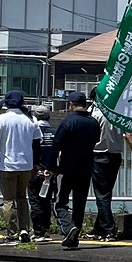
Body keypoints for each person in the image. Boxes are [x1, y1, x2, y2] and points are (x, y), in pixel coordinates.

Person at [0, 90, 42, 246]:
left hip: (8, 166)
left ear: (7, 103)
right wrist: (36, 164)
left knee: (8, 200)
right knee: (22, 197)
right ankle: (25, 230)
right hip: (26, 166)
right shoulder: (31, 119)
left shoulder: (2, 119)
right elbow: (37, 144)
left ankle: (12, 234)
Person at [88, 88, 132, 242]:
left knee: (101, 195)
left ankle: (109, 230)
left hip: (98, 155)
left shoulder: (94, 114)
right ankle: (98, 228)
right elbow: (128, 135)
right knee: (106, 193)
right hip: (115, 156)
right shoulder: (117, 113)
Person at [51, 90, 101, 250]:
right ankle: (74, 238)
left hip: (66, 168)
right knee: (80, 204)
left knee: (59, 203)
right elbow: (96, 141)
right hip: (86, 168)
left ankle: (69, 228)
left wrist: (50, 167)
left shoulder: (68, 122)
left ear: (71, 104)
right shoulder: (93, 123)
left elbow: (56, 145)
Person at [28, 105, 57, 242]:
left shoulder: (32, 131)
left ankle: (38, 232)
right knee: (46, 201)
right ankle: (45, 229)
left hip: (35, 170)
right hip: (50, 172)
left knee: (35, 201)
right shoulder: (55, 132)